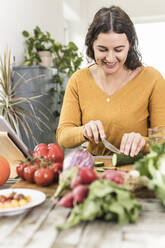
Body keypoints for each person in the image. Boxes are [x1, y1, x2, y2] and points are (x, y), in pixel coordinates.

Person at [56, 5, 165, 157]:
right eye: (102, 49)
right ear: (91, 45)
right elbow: (63, 136)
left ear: (130, 46)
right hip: (94, 171)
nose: (110, 58)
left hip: (139, 171)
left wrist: (143, 143)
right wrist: (83, 131)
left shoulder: (152, 79)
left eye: (118, 49)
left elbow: (163, 140)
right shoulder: (78, 80)